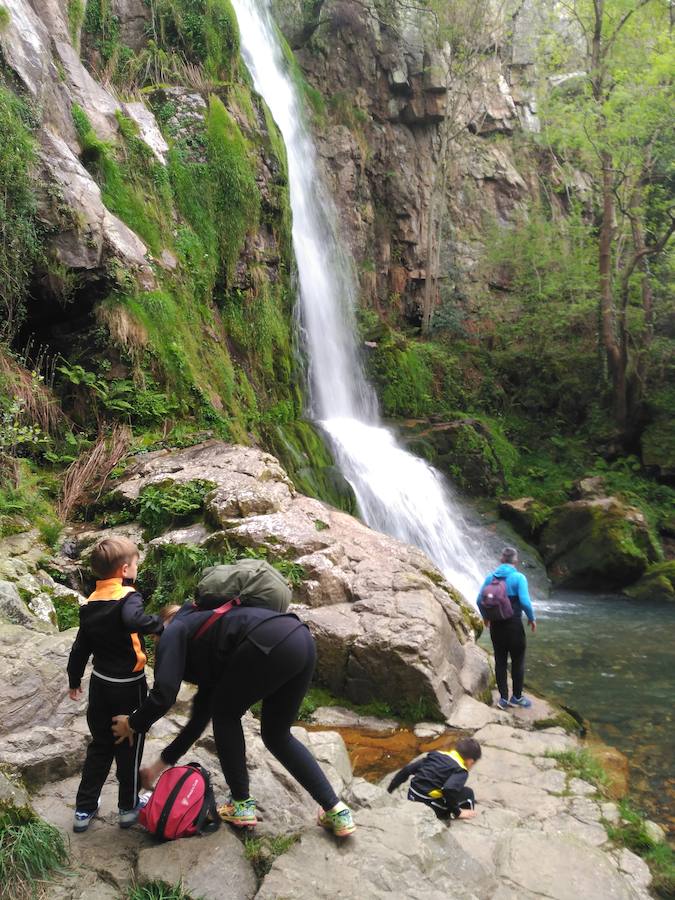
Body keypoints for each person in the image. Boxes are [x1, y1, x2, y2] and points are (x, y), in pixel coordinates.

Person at [110, 591, 356, 838]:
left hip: (267, 643)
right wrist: (157, 767)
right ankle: (336, 810)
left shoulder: (174, 631)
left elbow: (164, 694)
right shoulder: (210, 632)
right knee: (277, 735)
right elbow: (199, 719)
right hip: (300, 638)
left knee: (226, 715)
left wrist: (132, 723)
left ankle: (241, 804)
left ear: (158, 632)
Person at [67, 536, 163, 833]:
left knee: (100, 745)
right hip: (128, 686)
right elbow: (133, 619)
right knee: (129, 744)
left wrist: (74, 681)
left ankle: (84, 809)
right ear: (124, 570)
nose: (136, 567)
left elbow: (80, 648)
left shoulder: (90, 603)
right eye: (135, 563)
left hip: (100, 685)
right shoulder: (128, 595)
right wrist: (160, 627)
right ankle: (128, 806)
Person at [477, 546, 536, 710]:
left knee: (500, 661)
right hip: (514, 625)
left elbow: (478, 600)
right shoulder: (519, 578)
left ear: (501, 560)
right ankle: (517, 697)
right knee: (518, 661)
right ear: (515, 561)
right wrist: (532, 618)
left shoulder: (490, 578)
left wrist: (486, 617)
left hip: (496, 625)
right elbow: (524, 602)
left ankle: (503, 699)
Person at [386, 738, 481, 820]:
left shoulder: (436, 755)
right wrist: (457, 812)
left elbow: (407, 770)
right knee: (468, 793)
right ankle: (458, 815)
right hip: (429, 805)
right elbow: (449, 789)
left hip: (412, 796)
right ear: (470, 761)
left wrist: (389, 791)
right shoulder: (461, 770)